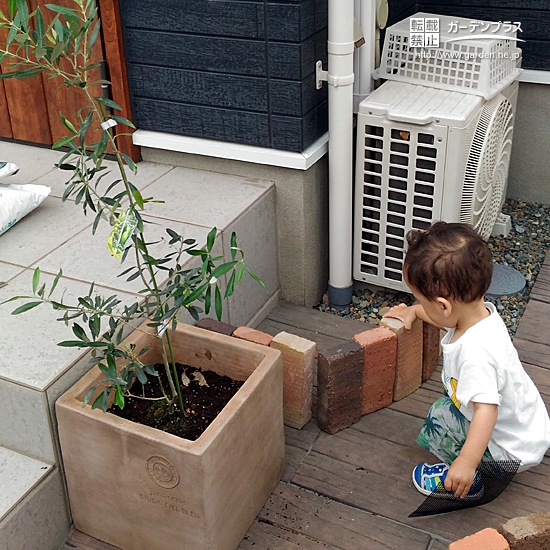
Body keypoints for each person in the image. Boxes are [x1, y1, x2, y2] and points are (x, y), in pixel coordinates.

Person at [384, 221, 550, 500]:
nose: (420, 306)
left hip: (507, 451)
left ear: (444, 306)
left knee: (441, 416)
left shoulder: (476, 355)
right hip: (528, 428)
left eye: (421, 301)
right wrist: (414, 312)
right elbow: (443, 319)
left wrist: (466, 463)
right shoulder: (478, 315)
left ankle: (472, 480)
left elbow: (486, 412)